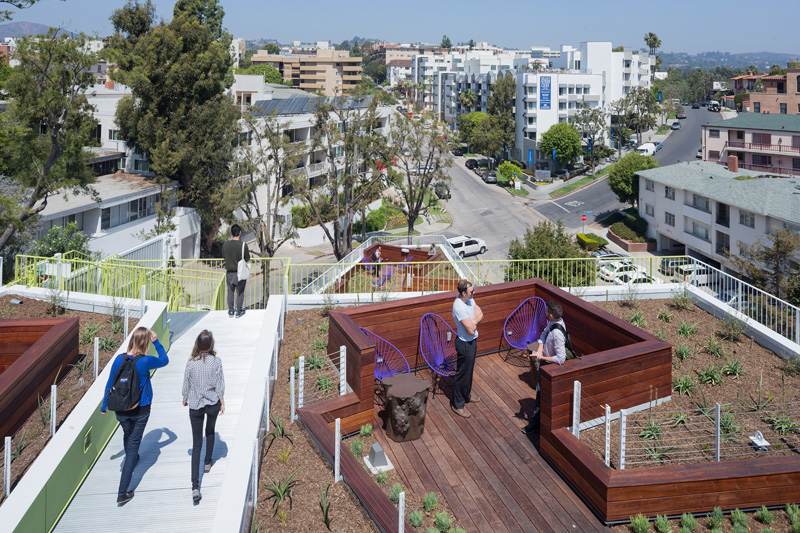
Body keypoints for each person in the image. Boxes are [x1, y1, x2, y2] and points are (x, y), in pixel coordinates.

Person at [101, 327, 169, 505]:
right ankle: (122, 493)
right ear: (145, 342)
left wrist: (104, 405)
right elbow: (165, 360)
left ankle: (133, 456)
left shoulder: (119, 359)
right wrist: (156, 341)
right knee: (132, 448)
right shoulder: (146, 361)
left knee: (127, 434)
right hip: (141, 410)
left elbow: (109, 384)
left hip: (120, 410)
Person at [182, 330, 225, 503]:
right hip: (212, 402)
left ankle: (194, 486)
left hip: (195, 405)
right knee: (210, 430)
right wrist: (222, 400)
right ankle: (207, 461)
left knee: (196, 443)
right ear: (211, 344)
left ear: (198, 344)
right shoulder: (216, 362)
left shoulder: (191, 363)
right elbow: (220, 383)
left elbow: (186, 382)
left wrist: (185, 396)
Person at [523, 301, 567, 434]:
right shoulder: (553, 323)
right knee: (539, 392)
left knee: (541, 393)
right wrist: (540, 349)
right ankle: (538, 421)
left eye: (547, 312)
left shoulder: (557, 334)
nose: (545, 313)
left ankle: (536, 424)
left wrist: (542, 358)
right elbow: (544, 333)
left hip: (550, 368)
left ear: (551, 315)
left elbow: (561, 358)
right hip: (545, 362)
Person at [451, 279, 483, 418]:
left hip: (472, 341)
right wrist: (475, 320)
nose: (474, 293)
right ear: (463, 293)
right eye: (471, 291)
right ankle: (457, 405)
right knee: (461, 374)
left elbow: (481, 313)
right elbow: (470, 330)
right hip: (464, 343)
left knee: (469, 372)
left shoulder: (470, 299)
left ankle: (466, 396)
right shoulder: (459, 307)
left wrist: (473, 321)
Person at [223, 224, 250, 318]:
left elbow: (224, 257)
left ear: (231, 233)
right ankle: (238, 311)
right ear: (240, 233)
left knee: (230, 291)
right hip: (240, 272)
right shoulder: (243, 245)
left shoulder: (226, 245)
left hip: (230, 272)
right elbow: (247, 258)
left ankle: (231, 310)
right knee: (240, 292)